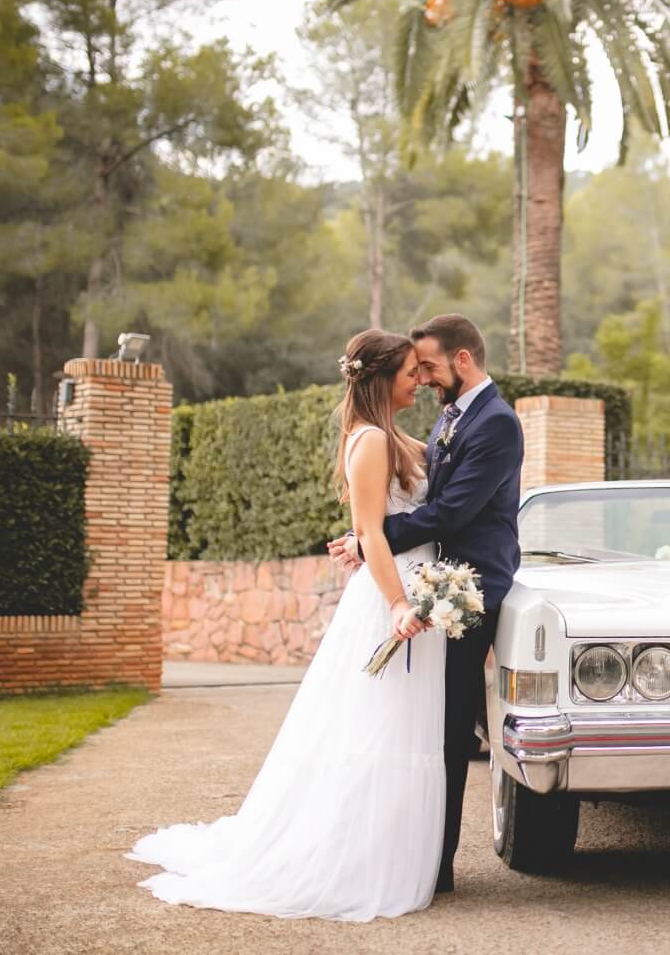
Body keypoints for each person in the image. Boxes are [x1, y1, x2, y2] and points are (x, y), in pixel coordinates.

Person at [128, 330, 445, 920]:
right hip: (391, 599)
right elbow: (373, 530)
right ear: (380, 379)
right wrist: (400, 604)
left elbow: (404, 517)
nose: (418, 381)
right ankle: (352, 860)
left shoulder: (394, 437)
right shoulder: (371, 440)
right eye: (409, 373)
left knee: (397, 731)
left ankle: (383, 851)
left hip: (416, 588)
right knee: (374, 731)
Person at [329, 313, 523, 895]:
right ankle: (421, 859)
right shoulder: (448, 418)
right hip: (425, 590)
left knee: (446, 733)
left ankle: (433, 864)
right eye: (415, 372)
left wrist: (372, 538)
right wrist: (369, 538)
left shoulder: (495, 423)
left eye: (430, 368)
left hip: (468, 589)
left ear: (462, 360)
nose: (426, 381)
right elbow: (401, 498)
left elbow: (451, 512)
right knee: (422, 729)